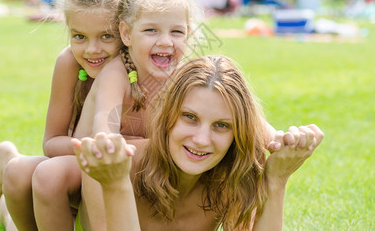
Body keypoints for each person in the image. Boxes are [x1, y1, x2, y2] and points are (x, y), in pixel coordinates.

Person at [73, 55, 324, 231]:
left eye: (222, 125)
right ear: (167, 116)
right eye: (190, 118)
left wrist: (277, 179)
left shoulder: (229, 176)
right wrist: (117, 185)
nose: (202, 140)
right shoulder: (114, 166)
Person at [0, 0, 131, 230]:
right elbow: (51, 143)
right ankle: (5, 177)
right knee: (17, 174)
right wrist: (96, 147)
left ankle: (7, 161)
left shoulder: (138, 65)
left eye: (106, 36)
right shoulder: (69, 64)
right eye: (79, 36)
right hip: (73, 166)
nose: (92, 49)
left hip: (118, 174)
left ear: (126, 30)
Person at [71, 0, 203, 144]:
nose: (165, 41)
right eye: (151, 30)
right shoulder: (116, 74)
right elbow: (104, 133)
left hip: (139, 164)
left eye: (177, 31)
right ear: (126, 34)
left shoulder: (184, 77)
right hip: (90, 164)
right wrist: (145, 147)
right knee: (50, 170)